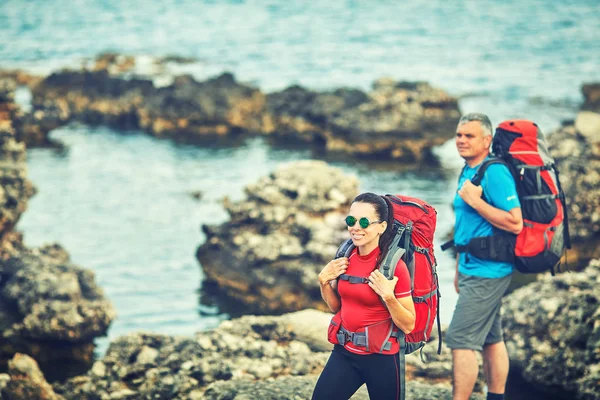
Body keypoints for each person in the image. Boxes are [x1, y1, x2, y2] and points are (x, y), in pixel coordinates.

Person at [447, 113, 523, 400]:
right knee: (492, 338)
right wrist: (457, 268)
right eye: (458, 135)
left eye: (469, 136)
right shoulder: (468, 170)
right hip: (470, 266)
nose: (462, 141)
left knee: (460, 340)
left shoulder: (494, 172)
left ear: (486, 140)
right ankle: (496, 397)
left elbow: (515, 222)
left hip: (489, 270)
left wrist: (476, 201)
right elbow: (464, 227)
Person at [312, 192, 415, 400]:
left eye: (365, 222)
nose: (356, 227)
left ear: (382, 227)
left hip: (382, 357)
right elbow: (337, 308)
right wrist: (323, 282)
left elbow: (408, 325)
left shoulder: (395, 267)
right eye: (351, 220)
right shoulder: (344, 258)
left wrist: (389, 297)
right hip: (344, 352)